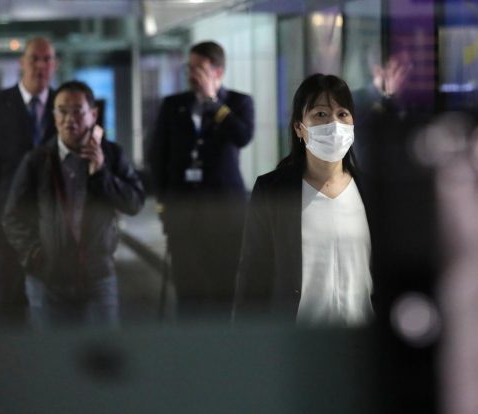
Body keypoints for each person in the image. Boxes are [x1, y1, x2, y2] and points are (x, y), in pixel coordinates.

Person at [234, 74, 374, 326]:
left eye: (342, 114)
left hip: (363, 345)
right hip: (298, 343)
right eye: (321, 114)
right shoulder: (273, 192)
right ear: (300, 127)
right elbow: (254, 276)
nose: (334, 124)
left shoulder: (372, 191)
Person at [2, 80, 145, 327]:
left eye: (78, 111)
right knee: (49, 358)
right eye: (61, 111)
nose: (70, 119)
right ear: (54, 116)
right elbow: (13, 216)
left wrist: (101, 172)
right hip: (47, 280)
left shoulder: (111, 155)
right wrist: (34, 254)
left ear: (93, 114)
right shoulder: (37, 160)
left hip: (98, 277)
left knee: (103, 356)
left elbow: (134, 203)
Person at [149, 41, 254, 317]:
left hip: (225, 212)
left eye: (199, 68)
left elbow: (242, 136)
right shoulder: (173, 105)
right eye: (190, 67)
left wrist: (213, 103)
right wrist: (163, 205)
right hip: (183, 212)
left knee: (224, 286)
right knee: (188, 288)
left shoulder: (238, 102)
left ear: (218, 71)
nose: (192, 73)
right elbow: (157, 156)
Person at [0, 37, 58, 325]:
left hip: (54, 221)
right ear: (21, 62)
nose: (40, 66)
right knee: (10, 297)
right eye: (34, 58)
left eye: (47, 59)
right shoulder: (0, 105)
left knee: (54, 300)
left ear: (54, 65)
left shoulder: (66, 106)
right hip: (7, 220)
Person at [352, 46, 412, 170]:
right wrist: (390, 98)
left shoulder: (411, 102)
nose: (406, 74)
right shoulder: (356, 102)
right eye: (399, 68)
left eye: (408, 67)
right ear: (379, 71)